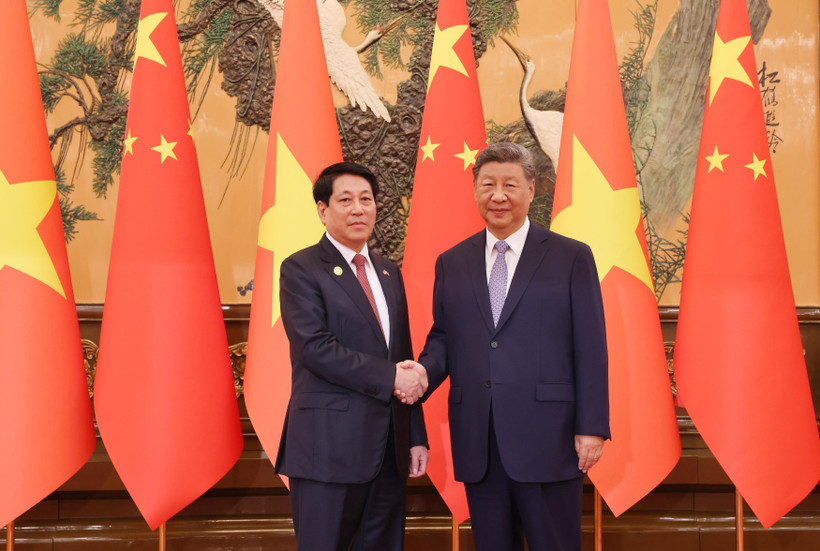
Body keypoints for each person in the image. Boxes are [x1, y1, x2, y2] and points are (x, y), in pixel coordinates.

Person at [408, 142, 609, 551]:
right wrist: (423, 373)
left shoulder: (571, 257)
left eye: (510, 185)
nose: (498, 196)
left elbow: (590, 346)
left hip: (549, 438)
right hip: (479, 439)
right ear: (475, 190)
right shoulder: (452, 261)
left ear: (532, 190)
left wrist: (591, 427)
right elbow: (445, 336)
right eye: (488, 185)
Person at [275, 161, 429, 551]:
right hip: (327, 451)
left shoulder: (389, 272)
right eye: (345, 200)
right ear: (323, 210)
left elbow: (403, 357)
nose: (358, 209)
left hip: (388, 452)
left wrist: (414, 436)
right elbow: (315, 348)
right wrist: (392, 378)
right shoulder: (301, 269)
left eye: (366, 199)